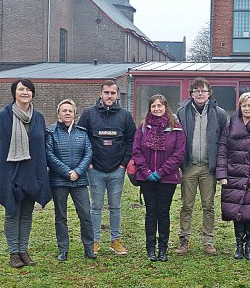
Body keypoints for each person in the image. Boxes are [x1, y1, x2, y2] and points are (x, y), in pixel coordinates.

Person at [0, 79, 52, 268]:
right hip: (10, 173)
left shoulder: (38, 118)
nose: (25, 92)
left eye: (28, 89)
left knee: (26, 214)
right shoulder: (2, 117)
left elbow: (41, 145)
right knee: (12, 212)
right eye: (21, 89)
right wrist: (2, 166)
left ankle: (23, 250)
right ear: (14, 92)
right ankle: (14, 252)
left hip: (32, 172)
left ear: (33, 94)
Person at [78, 80, 136, 255]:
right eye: (106, 93)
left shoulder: (125, 116)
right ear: (100, 94)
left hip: (117, 170)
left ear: (117, 95)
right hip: (94, 170)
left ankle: (115, 241)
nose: (109, 96)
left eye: (113, 93)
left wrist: (123, 164)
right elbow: (81, 139)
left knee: (115, 207)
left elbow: (131, 141)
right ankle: (94, 241)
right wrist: (88, 163)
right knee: (95, 207)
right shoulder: (89, 114)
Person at [216, 92, 250, 260]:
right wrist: (222, 174)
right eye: (244, 105)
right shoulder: (230, 125)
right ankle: (238, 245)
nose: (247, 108)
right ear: (239, 106)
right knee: (236, 211)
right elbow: (222, 150)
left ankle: (249, 246)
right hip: (234, 174)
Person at [175, 77, 227, 255]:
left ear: (209, 93)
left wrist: (220, 167)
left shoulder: (219, 113)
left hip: (208, 168)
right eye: (196, 90)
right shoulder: (182, 112)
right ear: (191, 93)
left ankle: (208, 241)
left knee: (208, 206)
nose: (200, 93)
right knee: (186, 205)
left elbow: (223, 142)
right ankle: (184, 240)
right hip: (189, 166)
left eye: (203, 90)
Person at [132, 94, 186, 262]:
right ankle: (150, 248)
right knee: (150, 212)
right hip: (146, 178)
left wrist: (161, 171)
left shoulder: (175, 128)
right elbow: (136, 150)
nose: (156, 109)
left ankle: (163, 248)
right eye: (153, 106)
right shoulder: (142, 127)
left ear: (165, 107)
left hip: (167, 178)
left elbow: (179, 154)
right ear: (150, 108)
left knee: (163, 213)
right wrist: (147, 172)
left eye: (159, 106)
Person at [46, 99, 96, 261]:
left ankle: (89, 248)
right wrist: (67, 172)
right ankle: (63, 250)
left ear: (75, 113)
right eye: (64, 110)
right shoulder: (51, 132)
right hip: (59, 181)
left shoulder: (82, 132)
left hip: (79, 181)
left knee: (85, 215)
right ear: (58, 113)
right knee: (61, 216)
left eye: (70, 110)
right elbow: (49, 155)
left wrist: (78, 172)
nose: (67, 113)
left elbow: (88, 153)